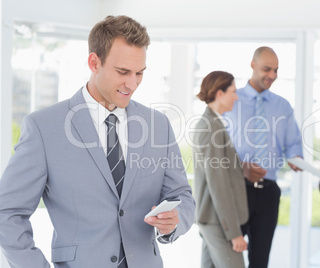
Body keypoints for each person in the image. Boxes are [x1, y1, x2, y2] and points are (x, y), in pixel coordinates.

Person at [0, 15, 195, 268]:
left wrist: (176, 219)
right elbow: (8, 212)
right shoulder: (44, 127)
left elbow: (182, 195)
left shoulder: (158, 125)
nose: (132, 83)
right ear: (94, 62)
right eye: (123, 72)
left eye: (139, 73)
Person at [225, 46, 303, 267]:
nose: (272, 76)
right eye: (267, 69)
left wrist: (296, 157)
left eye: (276, 70)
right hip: (236, 190)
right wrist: (242, 168)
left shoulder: (283, 106)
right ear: (252, 65)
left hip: (268, 192)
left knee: (260, 261)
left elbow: (293, 144)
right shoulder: (230, 101)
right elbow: (217, 151)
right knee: (229, 257)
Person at [192, 71, 248, 268]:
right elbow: (219, 185)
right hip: (217, 222)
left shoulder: (213, 124)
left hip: (213, 220)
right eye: (232, 91)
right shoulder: (210, 128)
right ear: (219, 94)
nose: (236, 96)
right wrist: (234, 233)